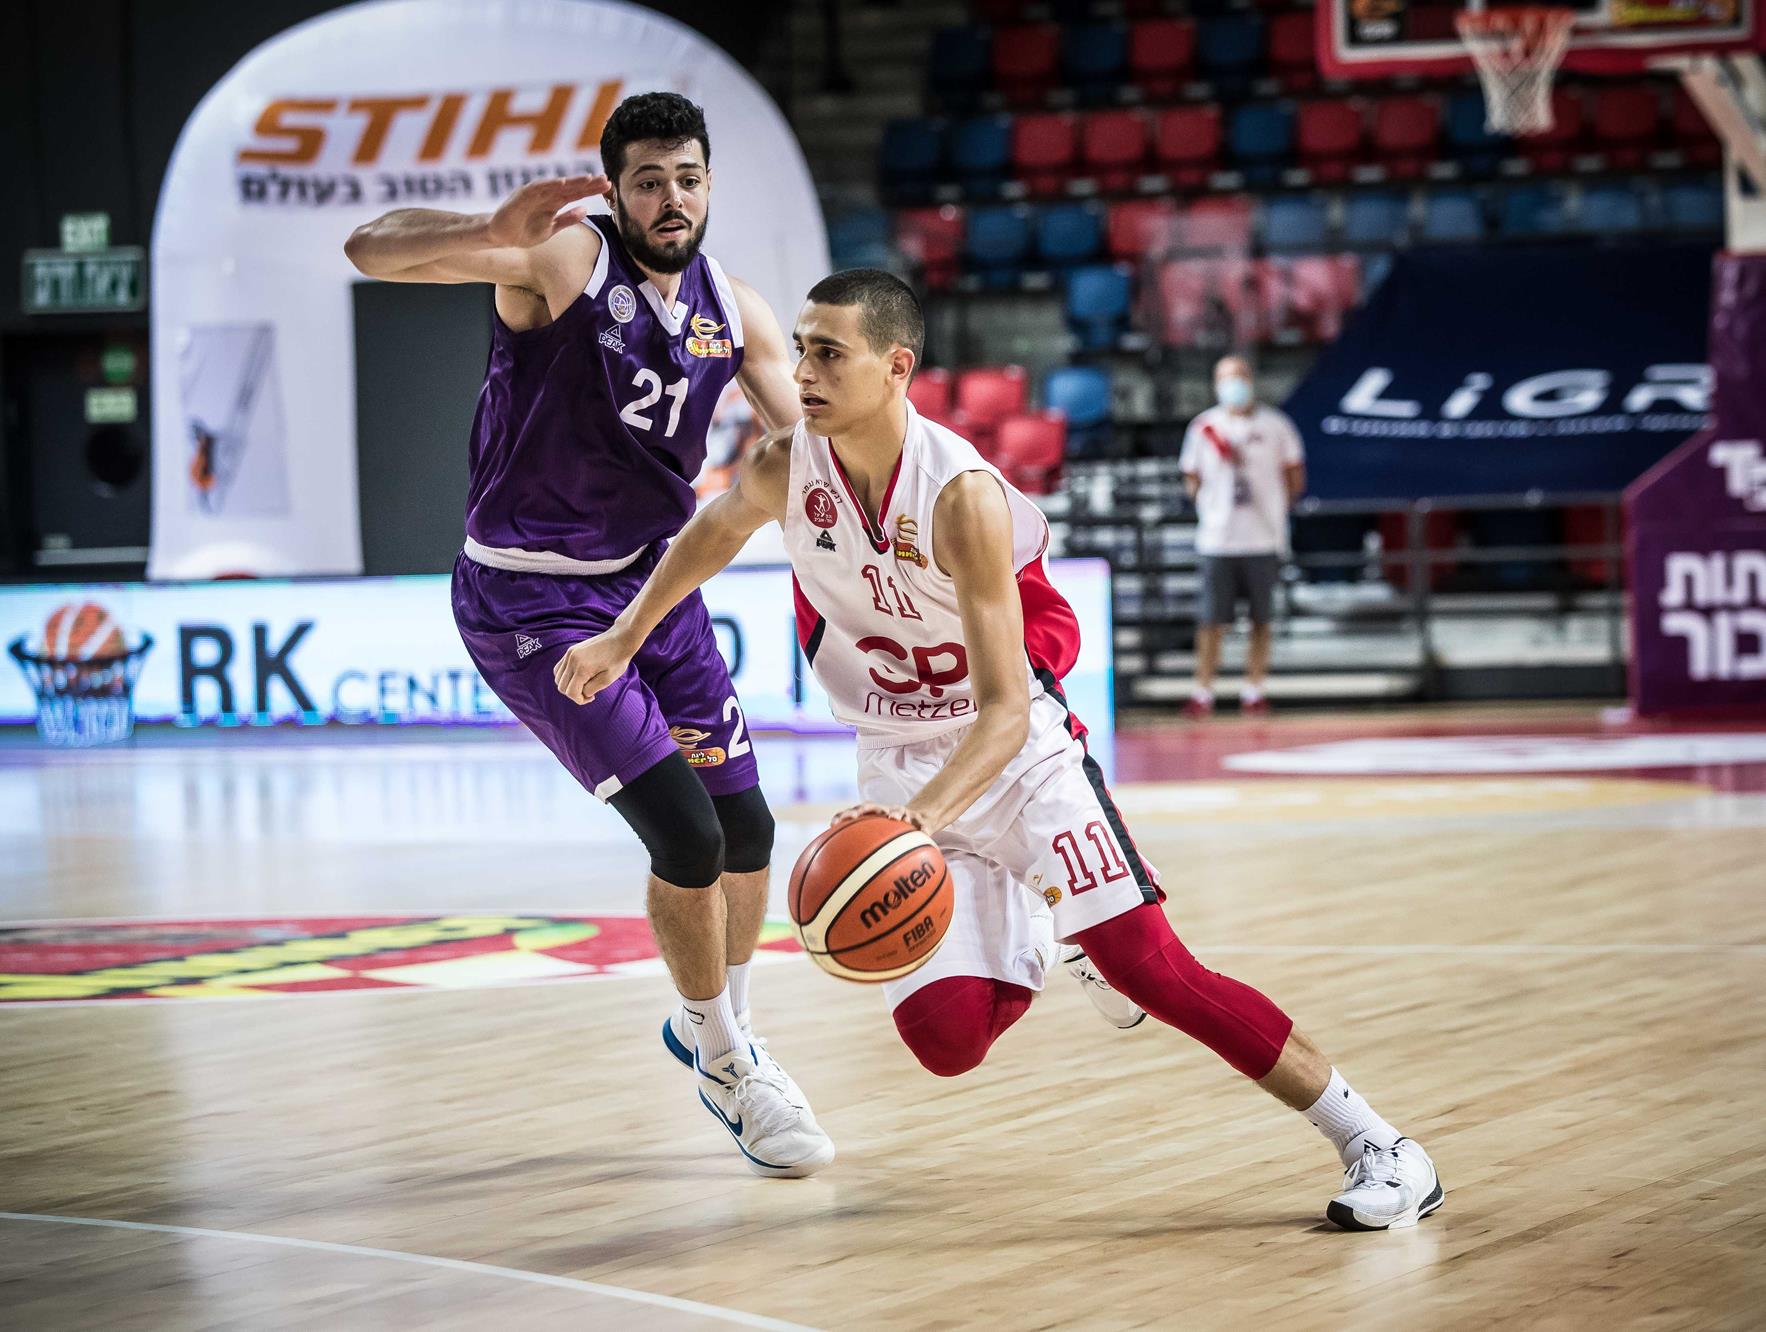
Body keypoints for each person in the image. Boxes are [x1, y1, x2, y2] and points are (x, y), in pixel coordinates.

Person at [556, 270, 1443, 1231]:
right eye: (801, 348)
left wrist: (917, 824)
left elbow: (1008, 711)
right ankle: (1050, 926)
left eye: (829, 353)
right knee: (946, 1043)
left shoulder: (961, 497)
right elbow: (712, 533)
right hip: (895, 754)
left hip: (1014, 755)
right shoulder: (785, 465)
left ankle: (1381, 1145)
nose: (801, 372)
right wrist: (624, 637)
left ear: (896, 367)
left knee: (1152, 968)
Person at [343, 92, 833, 1179]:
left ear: (710, 184)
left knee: (747, 830)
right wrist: (485, 232)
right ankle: (727, 1063)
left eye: (688, 178)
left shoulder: (736, 309)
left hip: (655, 590)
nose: (672, 198)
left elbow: (817, 450)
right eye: (649, 181)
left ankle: (721, 1030)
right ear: (616, 190)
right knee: (686, 840)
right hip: (531, 601)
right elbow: (370, 248)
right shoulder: (566, 260)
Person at [1177, 356, 1306, 719]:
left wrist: (1277, 508)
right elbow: (1191, 476)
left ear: (1250, 379)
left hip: (1263, 537)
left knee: (1261, 619)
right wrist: (1209, 504)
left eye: (1238, 376)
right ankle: (1203, 691)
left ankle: (1254, 689)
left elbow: (1295, 476)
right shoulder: (1203, 427)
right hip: (1218, 539)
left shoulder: (1276, 426)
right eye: (1225, 378)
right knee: (1210, 620)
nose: (1233, 384)